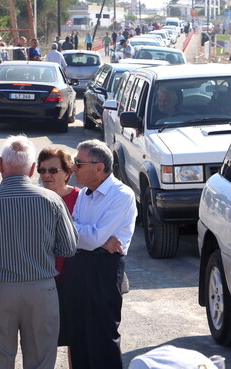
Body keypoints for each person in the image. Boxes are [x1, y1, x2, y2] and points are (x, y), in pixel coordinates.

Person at [0, 135, 78, 369]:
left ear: (2, 165)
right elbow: (68, 248)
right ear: (33, 167)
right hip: (41, 289)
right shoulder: (53, 200)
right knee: (41, 359)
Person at [64, 139, 137, 369]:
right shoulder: (85, 194)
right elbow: (70, 232)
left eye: (78, 162)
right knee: (78, 336)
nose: (73, 168)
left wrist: (94, 239)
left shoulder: (121, 195)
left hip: (104, 269)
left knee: (102, 336)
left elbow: (88, 236)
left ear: (98, 167)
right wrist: (95, 238)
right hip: (79, 266)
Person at [37, 147, 80, 349]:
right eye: (42, 170)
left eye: (53, 170)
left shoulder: (82, 199)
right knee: (44, 342)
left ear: (67, 173)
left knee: (74, 339)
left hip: (73, 280)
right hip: (43, 281)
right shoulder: (35, 199)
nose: (46, 175)